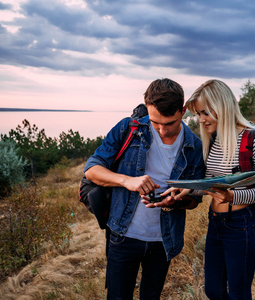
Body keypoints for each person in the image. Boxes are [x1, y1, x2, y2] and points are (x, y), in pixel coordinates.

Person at [83, 78, 205, 300]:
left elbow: (196, 197)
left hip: (164, 241)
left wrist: (177, 201)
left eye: (171, 123)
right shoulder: (127, 128)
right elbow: (91, 170)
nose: (162, 130)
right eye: (155, 121)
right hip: (123, 235)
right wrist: (127, 180)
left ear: (183, 110)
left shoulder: (194, 145)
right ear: (147, 108)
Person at [172, 79, 255, 299]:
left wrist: (233, 196)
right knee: (214, 291)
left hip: (242, 225)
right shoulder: (215, 139)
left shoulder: (254, 138)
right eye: (198, 114)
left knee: (238, 294)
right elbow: (213, 182)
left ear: (221, 107)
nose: (200, 120)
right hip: (216, 223)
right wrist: (189, 190)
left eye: (204, 113)